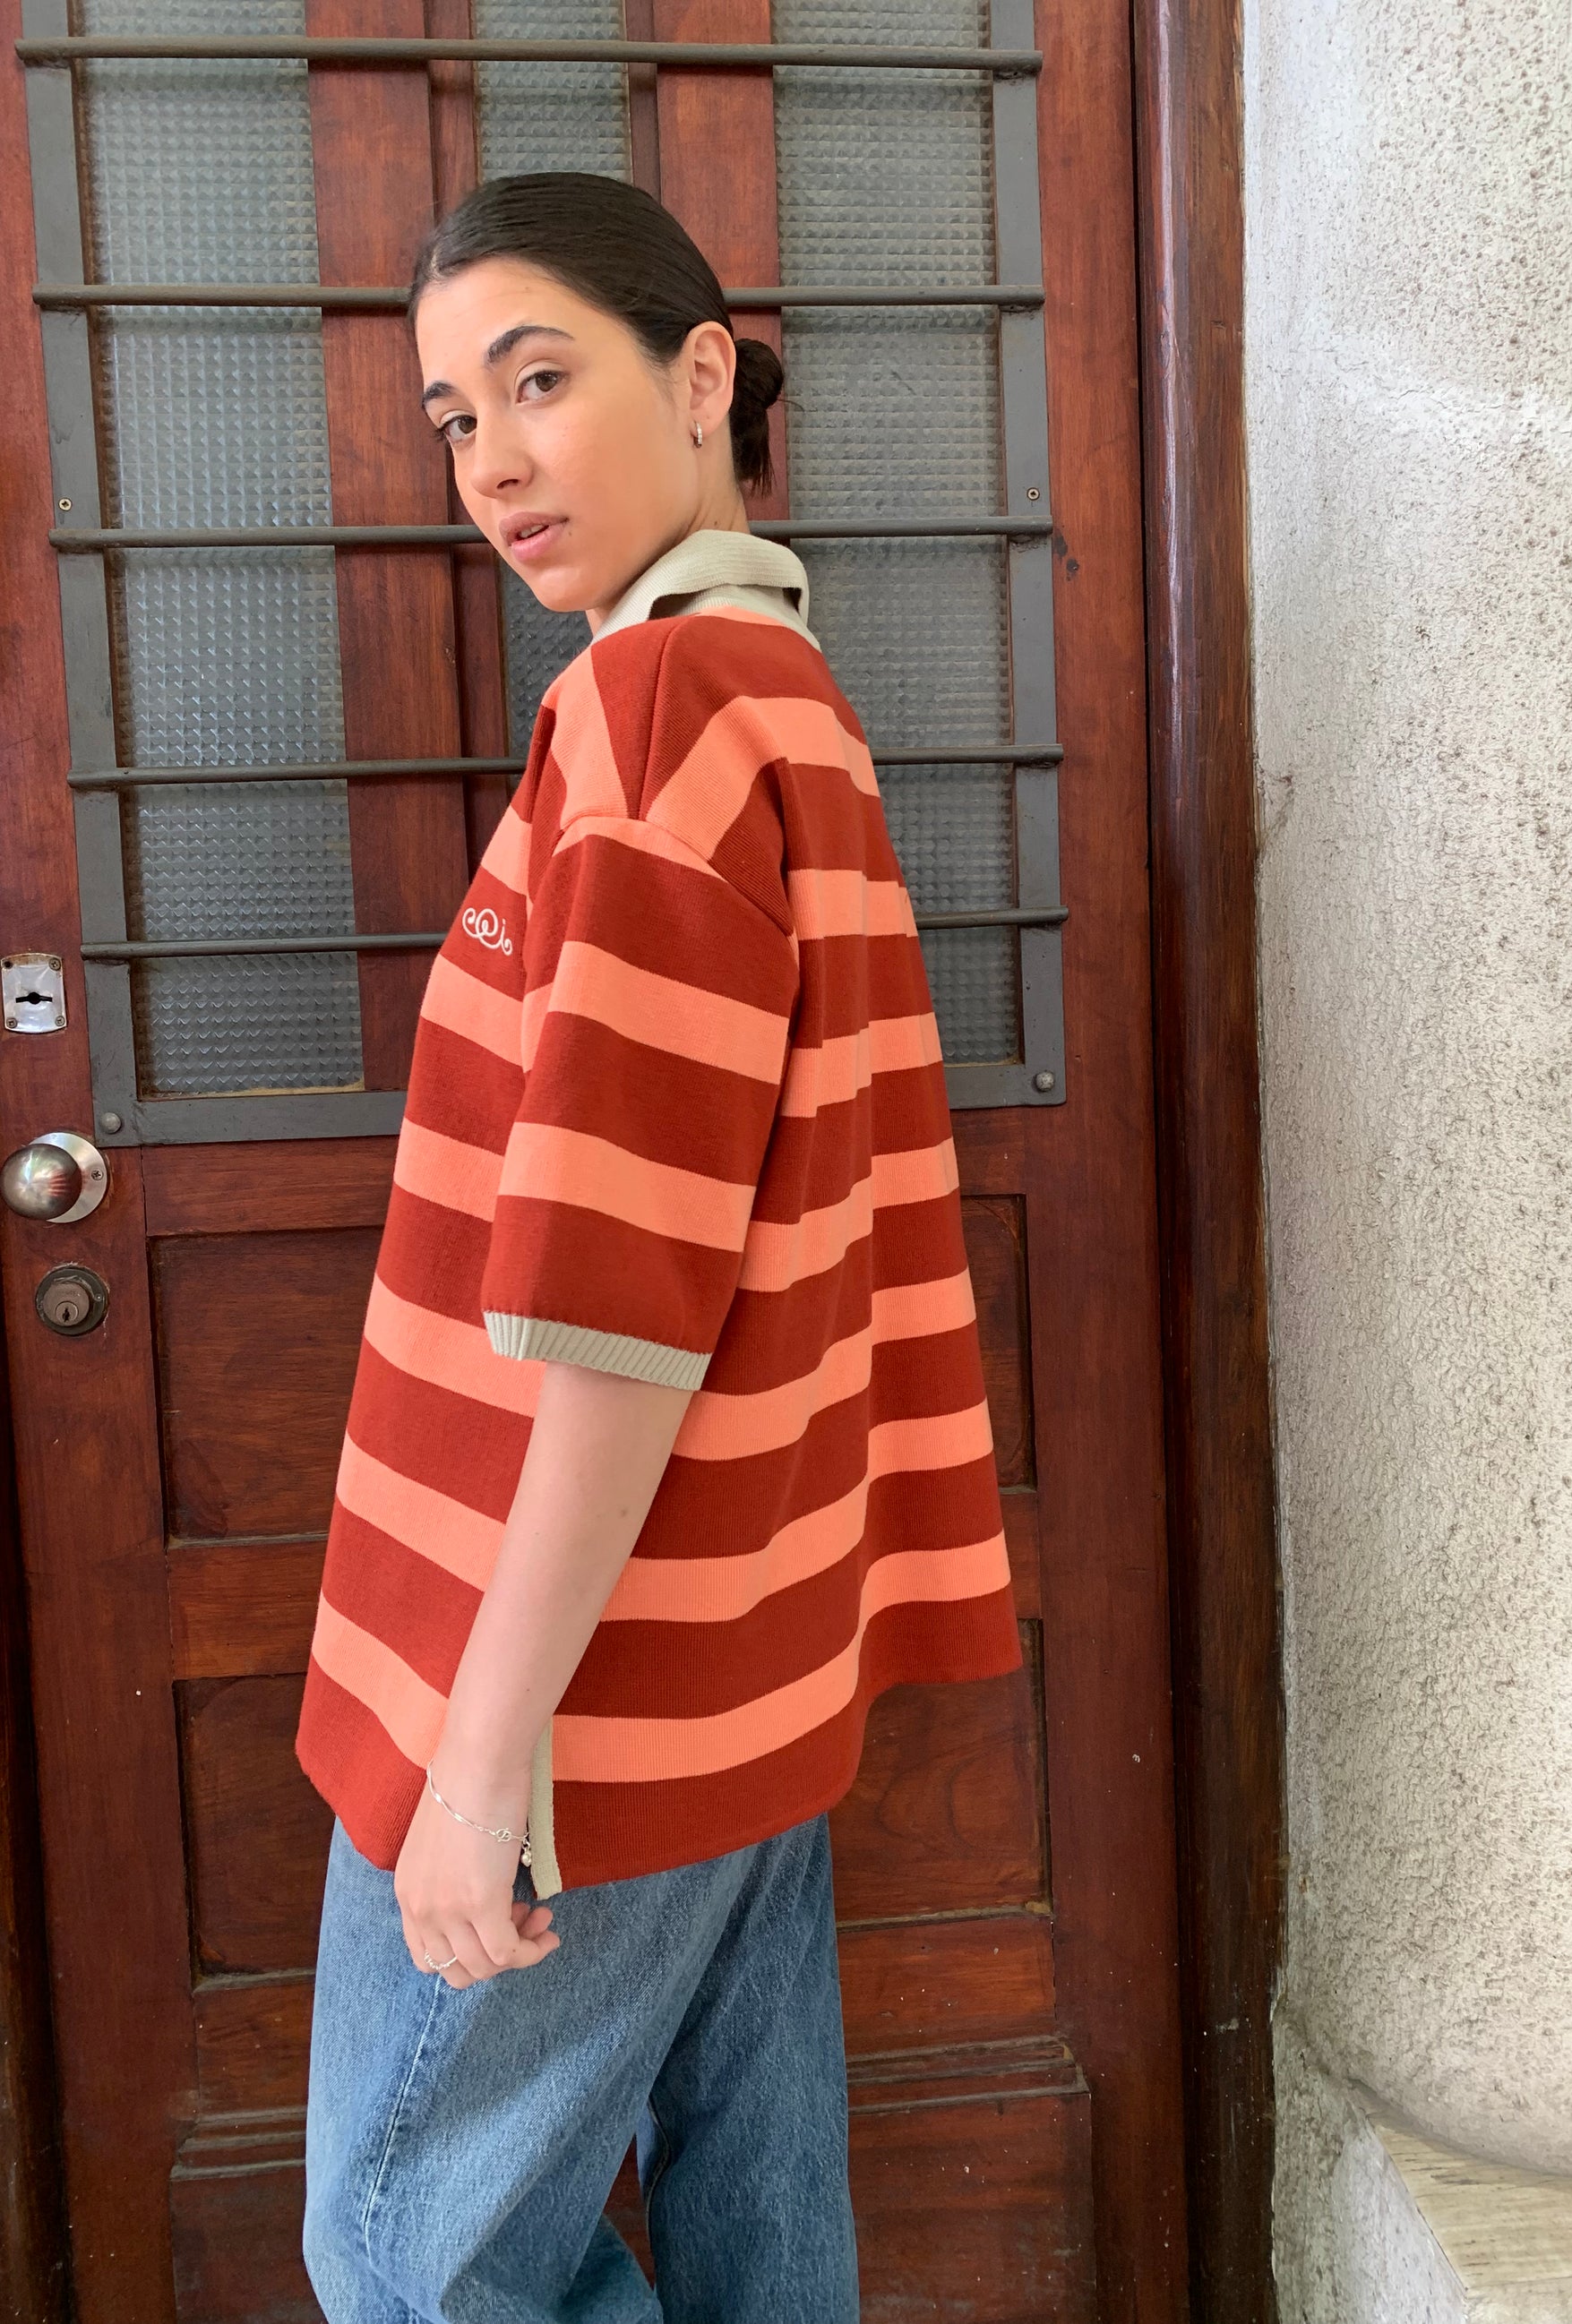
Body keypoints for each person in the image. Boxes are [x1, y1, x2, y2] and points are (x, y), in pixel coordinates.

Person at [295, 170, 1021, 2324]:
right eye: (455, 415)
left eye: (541, 380)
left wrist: (482, 1752)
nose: (492, 460)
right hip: (737, 1641)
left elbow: (619, 1303)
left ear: (703, 374)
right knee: (756, 2228)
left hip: (578, 1684)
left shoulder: (654, 718)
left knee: (404, 2251)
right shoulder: (780, 696)